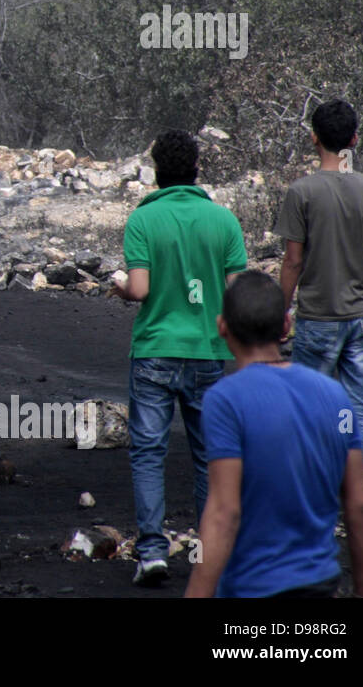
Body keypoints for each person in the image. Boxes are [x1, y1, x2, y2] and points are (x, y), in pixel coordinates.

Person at [108, 129, 247, 586]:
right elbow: (238, 296)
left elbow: (141, 289)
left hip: (154, 351)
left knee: (149, 452)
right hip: (207, 353)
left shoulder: (143, 220)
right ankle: (209, 550)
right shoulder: (223, 220)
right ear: (196, 169)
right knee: (208, 456)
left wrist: (120, 286)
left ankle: (151, 551)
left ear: (156, 172)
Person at [184, 271, 363, 598]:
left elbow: (222, 513)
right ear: (286, 326)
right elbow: (358, 504)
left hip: (251, 586)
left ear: (222, 327)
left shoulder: (224, 401)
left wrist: (197, 591)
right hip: (320, 582)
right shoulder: (336, 397)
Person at [275, 99, 363, 483]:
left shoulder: (302, 192)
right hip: (360, 317)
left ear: (314, 139)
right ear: (355, 139)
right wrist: (360, 248)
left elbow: (293, 260)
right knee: (361, 409)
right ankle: (359, 494)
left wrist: (282, 309)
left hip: (318, 318)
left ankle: (314, 490)